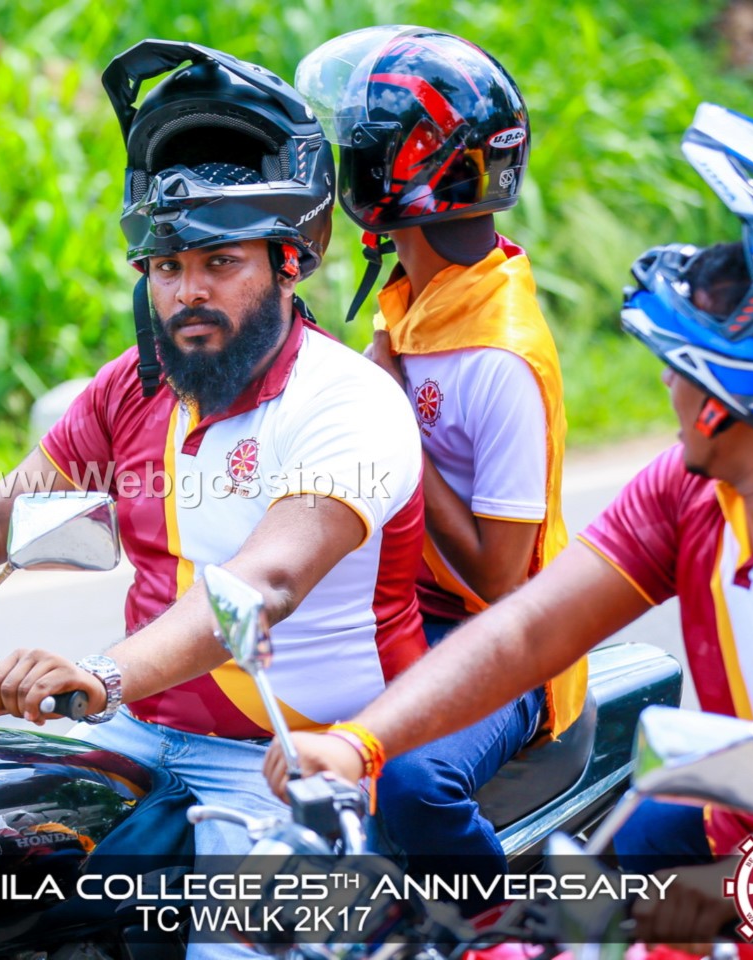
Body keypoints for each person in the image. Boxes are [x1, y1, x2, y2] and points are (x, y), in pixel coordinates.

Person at [0, 40, 426, 954]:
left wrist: (100, 674)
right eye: (167, 266)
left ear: (289, 261)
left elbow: (262, 584)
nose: (188, 292)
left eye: (220, 262)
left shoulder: (346, 403)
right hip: (138, 737)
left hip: (298, 762)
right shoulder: (137, 386)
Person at [264, 102, 753, 946]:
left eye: (683, 363)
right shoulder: (690, 490)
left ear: (745, 399)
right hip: (744, 824)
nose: (666, 382)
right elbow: (529, 629)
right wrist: (360, 746)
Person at [292, 26, 589, 889]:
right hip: (401, 608)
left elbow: (502, 581)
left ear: (397, 171)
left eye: (357, 148)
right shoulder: (423, 299)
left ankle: (497, 930)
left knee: (412, 784)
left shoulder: (498, 356)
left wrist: (390, 423)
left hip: (504, 641)